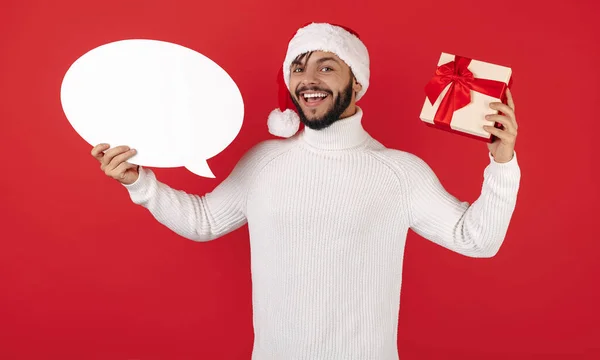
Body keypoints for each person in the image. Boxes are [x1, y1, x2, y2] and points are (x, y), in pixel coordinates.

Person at [91, 22, 520, 360]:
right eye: (298, 67)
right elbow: (203, 221)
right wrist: (140, 182)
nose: (308, 80)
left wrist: (502, 162)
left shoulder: (399, 173)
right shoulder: (264, 163)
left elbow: (476, 239)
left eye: (326, 67)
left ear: (357, 83)